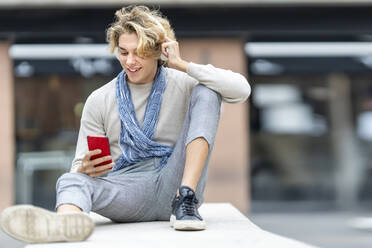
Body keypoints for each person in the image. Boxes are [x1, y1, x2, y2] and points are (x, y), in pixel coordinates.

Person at [0, 5, 251, 243]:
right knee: (69, 180)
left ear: (158, 50)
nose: (130, 61)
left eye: (139, 52)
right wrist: (84, 168)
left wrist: (182, 64)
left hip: (177, 183)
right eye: (123, 52)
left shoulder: (183, 83)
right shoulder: (100, 99)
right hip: (128, 190)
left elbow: (241, 89)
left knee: (207, 92)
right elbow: (78, 164)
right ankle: (67, 224)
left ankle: (186, 199)